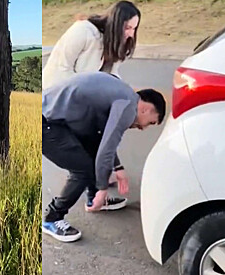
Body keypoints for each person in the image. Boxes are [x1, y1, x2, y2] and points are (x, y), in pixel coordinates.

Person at [41, 72, 166, 242]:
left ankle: (93, 200)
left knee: (92, 150)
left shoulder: (122, 94)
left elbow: (101, 140)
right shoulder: (127, 107)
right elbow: (107, 147)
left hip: (57, 120)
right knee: (82, 170)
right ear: (145, 109)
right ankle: (52, 218)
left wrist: (118, 167)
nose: (143, 128)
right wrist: (103, 188)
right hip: (46, 123)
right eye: (150, 122)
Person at [42, 0, 141, 211]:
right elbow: (61, 66)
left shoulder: (116, 46)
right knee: (81, 162)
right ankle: (54, 216)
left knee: (96, 142)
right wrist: (79, 100)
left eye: (134, 28)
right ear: (115, 23)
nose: (131, 34)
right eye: (127, 27)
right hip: (60, 100)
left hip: (82, 105)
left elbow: (111, 77)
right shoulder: (84, 31)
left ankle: (95, 196)